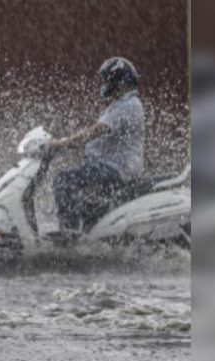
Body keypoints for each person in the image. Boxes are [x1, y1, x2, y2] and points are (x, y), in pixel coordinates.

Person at [44, 56, 145, 234]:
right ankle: (87, 238)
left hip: (116, 170)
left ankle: (68, 235)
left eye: (107, 80)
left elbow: (93, 132)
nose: (104, 85)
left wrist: (61, 144)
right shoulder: (121, 105)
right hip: (109, 167)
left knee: (64, 179)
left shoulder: (128, 106)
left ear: (118, 81)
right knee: (87, 203)